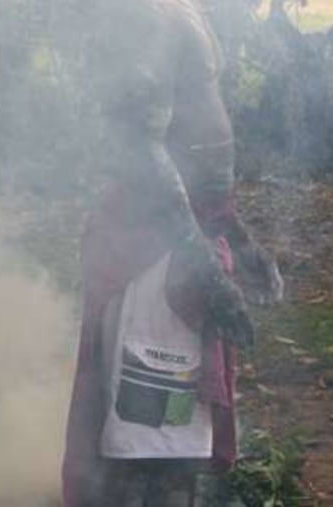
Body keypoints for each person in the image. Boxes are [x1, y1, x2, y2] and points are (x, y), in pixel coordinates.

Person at [61, 0, 283, 505]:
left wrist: (237, 237)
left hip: (182, 240)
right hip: (155, 252)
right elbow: (136, 136)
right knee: (147, 446)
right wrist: (199, 261)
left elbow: (193, 144)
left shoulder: (179, 7)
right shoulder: (147, 12)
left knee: (176, 444)